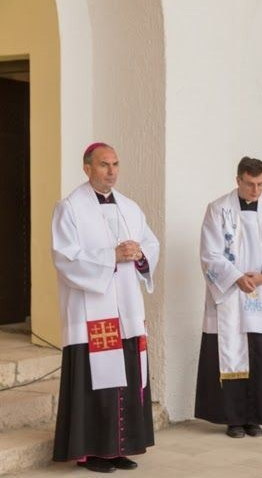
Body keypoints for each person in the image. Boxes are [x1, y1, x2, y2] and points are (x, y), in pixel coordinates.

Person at [51, 142, 159, 473]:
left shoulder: (130, 207)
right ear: (87, 169)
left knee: (126, 377)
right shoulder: (70, 208)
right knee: (95, 382)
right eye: (103, 165)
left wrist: (139, 254)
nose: (111, 171)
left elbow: (151, 244)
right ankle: (93, 451)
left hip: (126, 309)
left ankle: (120, 448)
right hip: (92, 312)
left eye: (115, 164)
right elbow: (65, 258)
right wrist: (111, 256)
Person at [195, 157, 262, 438]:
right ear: (238, 180)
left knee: (258, 352)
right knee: (230, 350)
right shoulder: (218, 210)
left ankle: (255, 417)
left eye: (261, 185)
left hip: (259, 291)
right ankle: (233, 419)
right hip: (229, 293)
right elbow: (209, 254)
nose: (256, 190)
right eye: (250, 184)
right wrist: (236, 277)